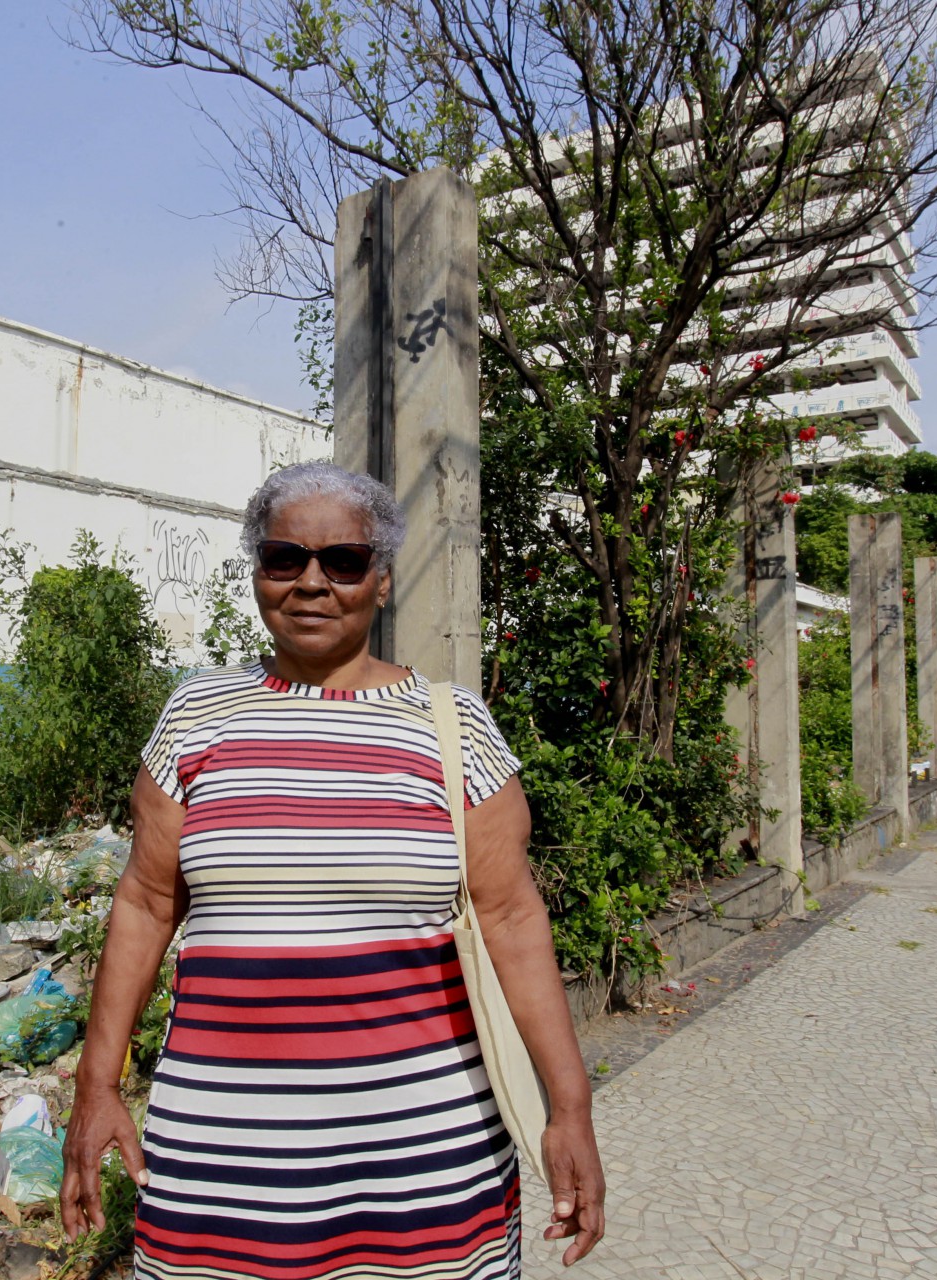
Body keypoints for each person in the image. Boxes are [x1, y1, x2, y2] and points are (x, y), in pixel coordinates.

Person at [61, 461, 605, 1278]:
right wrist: (95, 1086)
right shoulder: (196, 717)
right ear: (258, 575)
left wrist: (570, 1106)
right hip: (221, 1160)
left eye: (343, 562)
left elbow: (514, 920)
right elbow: (143, 905)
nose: (312, 582)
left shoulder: (452, 728)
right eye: (286, 558)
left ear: (380, 582)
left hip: (426, 1160)